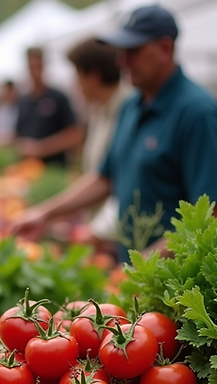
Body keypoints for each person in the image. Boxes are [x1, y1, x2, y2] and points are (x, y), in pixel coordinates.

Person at [12, 5, 217, 263]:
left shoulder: (197, 112)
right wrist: (44, 213)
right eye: (121, 52)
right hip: (131, 272)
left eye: (133, 51)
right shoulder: (131, 106)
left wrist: (145, 263)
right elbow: (105, 178)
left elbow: (215, 214)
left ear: (165, 49)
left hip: (173, 281)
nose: (122, 62)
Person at [67, 38, 130, 250]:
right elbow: (98, 174)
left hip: (122, 240)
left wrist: (98, 230)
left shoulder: (130, 112)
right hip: (99, 236)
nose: (75, 84)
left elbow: (126, 184)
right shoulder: (97, 111)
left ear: (93, 77)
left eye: (77, 76)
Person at [15, 47, 82, 166]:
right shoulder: (23, 101)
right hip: (27, 170)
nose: (35, 72)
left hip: (54, 169)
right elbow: (18, 134)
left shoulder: (58, 97)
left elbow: (74, 135)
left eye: (38, 66)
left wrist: (41, 149)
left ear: (44, 66)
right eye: (31, 67)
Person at [0, 80, 18, 146]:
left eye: (9, 91)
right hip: (1, 144)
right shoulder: (1, 109)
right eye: (6, 91)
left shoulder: (19, 108)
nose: (7, 94)